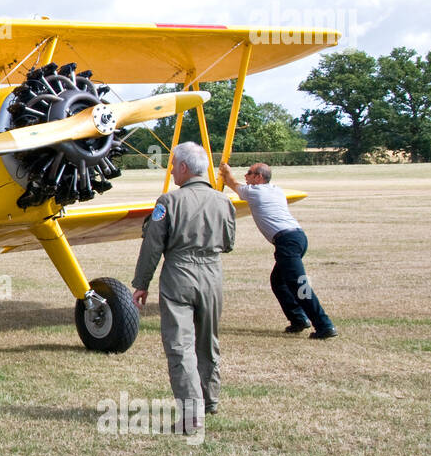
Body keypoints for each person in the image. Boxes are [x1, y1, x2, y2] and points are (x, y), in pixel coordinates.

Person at [132, 142, 236, 434]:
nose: (172, 170)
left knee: (179, 345)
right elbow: (228, 243)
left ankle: (192, 415)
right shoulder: (224, 202)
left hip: (179, 273)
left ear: (184, 168)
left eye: (174, 164)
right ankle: (209, 399)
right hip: (213, 274)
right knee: (208, 340)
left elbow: (152, 246)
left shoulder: (169, 201)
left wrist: (141, 284)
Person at [218, 160, 337, 339]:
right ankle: (298, 319)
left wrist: (225, 170)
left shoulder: (255, 192)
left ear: (258, 177)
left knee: (300, 286)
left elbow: (232, 183)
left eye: (249, 173)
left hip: (287, 241)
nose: (246, 176)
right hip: (297, 237)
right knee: (279, 281)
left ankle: (324, 325)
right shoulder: (275, 189)